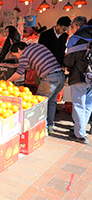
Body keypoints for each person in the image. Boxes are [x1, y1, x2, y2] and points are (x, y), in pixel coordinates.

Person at [7, 42, 65, 135]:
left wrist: (7, 81)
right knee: (51, 102)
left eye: (16, 55)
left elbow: (19, 72)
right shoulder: (37, 45)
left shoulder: (24, 53)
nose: (18, 58)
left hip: (50, 78)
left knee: (39, 104)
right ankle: (50, 126)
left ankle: (42, 129)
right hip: (60, 76)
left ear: (18, 49)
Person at [63, 16, 92, 144]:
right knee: (88, 105)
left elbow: (68, 60)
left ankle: (80, 135)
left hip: (80, 76)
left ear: (76, 26)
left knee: (79, 104)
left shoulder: (76, 39)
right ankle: (79, 129)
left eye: (72, 27)